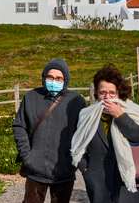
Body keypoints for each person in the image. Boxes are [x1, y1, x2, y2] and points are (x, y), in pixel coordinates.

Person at [71, 64, 139, 203]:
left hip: (132, 183)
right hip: (100, 184)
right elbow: (78, 143)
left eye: (112, 93)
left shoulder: (131, 111)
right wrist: (85, 169)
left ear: (119, 93)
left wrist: (120, 116)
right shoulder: (86, 115)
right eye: (102, 93)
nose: (107, 97)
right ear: (96, 93)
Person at [13, 58, 87, 203]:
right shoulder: (31, 97)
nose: (54, 81)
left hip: (64, 171)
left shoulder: (76, 101)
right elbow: (19, 126)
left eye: (59, 78)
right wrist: (27, 156)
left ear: (65, 80)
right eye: (50, 77)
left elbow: (83, 133)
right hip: (35, 170)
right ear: (44, 77)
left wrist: (73, 160)